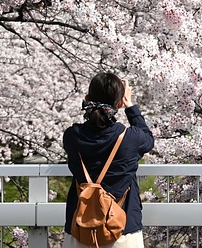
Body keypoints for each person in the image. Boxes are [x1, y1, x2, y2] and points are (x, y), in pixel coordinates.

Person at [63, 71, 155, 248]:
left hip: (80, 230)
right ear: (119, 103)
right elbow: (148, 139)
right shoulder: (130, 138)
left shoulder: (72, 136)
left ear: (87, 98)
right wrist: (130, 106)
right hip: (123, 230)